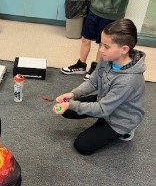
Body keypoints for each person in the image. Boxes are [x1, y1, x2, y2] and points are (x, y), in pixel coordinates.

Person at [55, 19, 145, 155]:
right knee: (67, 108)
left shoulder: (128, 81)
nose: (101, 50)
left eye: (106, 46)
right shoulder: (108, 58)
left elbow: (102, 109)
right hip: (105, 102)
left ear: (124, 49)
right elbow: (93, 82)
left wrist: (73, 105)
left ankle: (127, 131)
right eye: (101, 44)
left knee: (82, 146)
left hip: (120, 119)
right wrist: (73, 94)